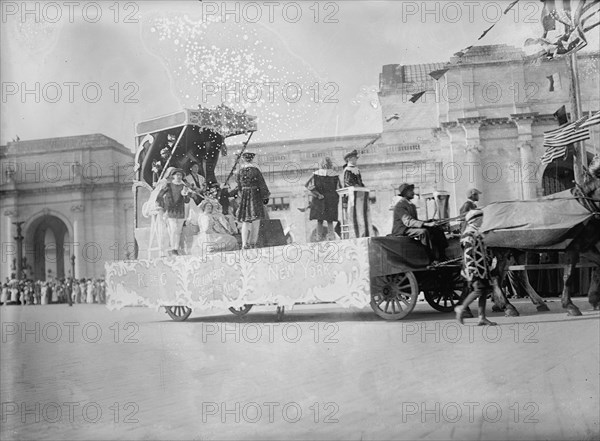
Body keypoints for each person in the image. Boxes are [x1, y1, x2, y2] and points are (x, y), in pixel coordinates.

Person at [454, 209, 497, 326]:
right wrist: (472, 270)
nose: (482, 221)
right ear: (475, 220)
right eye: (481, 219)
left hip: (482, 269)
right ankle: (461, 308)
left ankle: (482, 318)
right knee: (478, 290)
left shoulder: (476, 232)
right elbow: (467, 254)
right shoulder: (469, 234)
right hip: (475, 269)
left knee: (483, 291)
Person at [391, 183, 449, 262]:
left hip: (409, 228)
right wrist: (427, 224)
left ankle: (442, 256)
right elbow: (408, 221)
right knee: (423, 232)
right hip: (402, 230)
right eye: (411, 191)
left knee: (436, 228)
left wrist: (430, 221)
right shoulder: (400, 205)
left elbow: (415, 220)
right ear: (405, 193)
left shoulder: (411, 205)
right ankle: (431, 260)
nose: (413, 192)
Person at [235, 151, 270, 249]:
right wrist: (265, 196)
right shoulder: (255, 170)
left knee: (246, 221)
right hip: (255, 195)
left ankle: (244, 243)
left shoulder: (240, 172)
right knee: (256, 220)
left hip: (245, 196)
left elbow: (238, 186)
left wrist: (241, 195)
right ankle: (252, 242)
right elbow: (262, 184)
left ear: (243, 159)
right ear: (252, 159)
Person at [305, 157, 342, 241]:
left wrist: (316, 193)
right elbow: (340, 187)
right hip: (330, 198)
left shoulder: (316, 173)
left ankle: (319, 238)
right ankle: (331, 238)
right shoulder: (334, 174)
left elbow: (306, 185)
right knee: (329, 220)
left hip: (320, 198)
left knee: (320, 220)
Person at [158, 167, 191, 255]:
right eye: (177, 175)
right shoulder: (168, 186)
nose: (179, 176)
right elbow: (159, 196)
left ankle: (176, 248)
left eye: (180, 175)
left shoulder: (184, 186)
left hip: (180, 210)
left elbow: (187, 200)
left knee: (178, 231)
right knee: (173, 229)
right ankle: (173, 248)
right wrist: (163, 207)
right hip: (170, 210)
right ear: (173, 176)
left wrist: (185, 194)